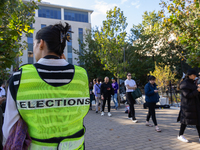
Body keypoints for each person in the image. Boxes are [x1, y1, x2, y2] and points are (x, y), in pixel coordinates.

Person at [3, 22, 90, 149]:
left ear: (41, 43)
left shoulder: (19, 78)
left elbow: (9, 130)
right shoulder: (82, 75)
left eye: (34, 44)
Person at [177, 69, 200, 143]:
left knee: (198, 121)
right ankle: (180, 135)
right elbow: (187, 95)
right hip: (187, 106)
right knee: (184, 121)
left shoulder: (192, 82)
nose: (196, 77)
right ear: (190, 75)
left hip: (194, 105)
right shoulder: (184, 83)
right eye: (194, 75)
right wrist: (197, 91)